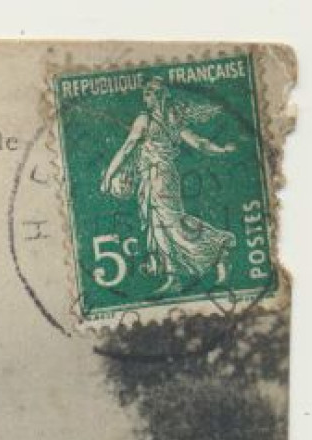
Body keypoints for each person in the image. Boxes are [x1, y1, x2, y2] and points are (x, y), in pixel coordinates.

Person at [101, 77, 237, 296]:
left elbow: (127, 147)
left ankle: (215, 252)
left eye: (149, 93)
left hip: (159, 177)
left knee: (167, 224)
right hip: (160, 177)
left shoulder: (144, 120)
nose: (145, 97)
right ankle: (182, 271)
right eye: (145, 93)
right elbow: (199, 143)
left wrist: (109, 175)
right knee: (166, 223)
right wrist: (221, 150)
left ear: (159, 95)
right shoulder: (173, 121)